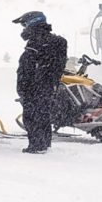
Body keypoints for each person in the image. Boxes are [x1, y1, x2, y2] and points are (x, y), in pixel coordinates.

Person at [14, 11, 68, 154]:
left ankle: (37, 146)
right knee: (44, 115)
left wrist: (23, 87)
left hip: (35, 87)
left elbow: (27, 69)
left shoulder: (37, 43)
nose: (24, 29)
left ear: (32, 23)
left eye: (25, 25)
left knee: (33, 116)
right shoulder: (55, 42)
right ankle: (45, 143)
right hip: (48, 86)